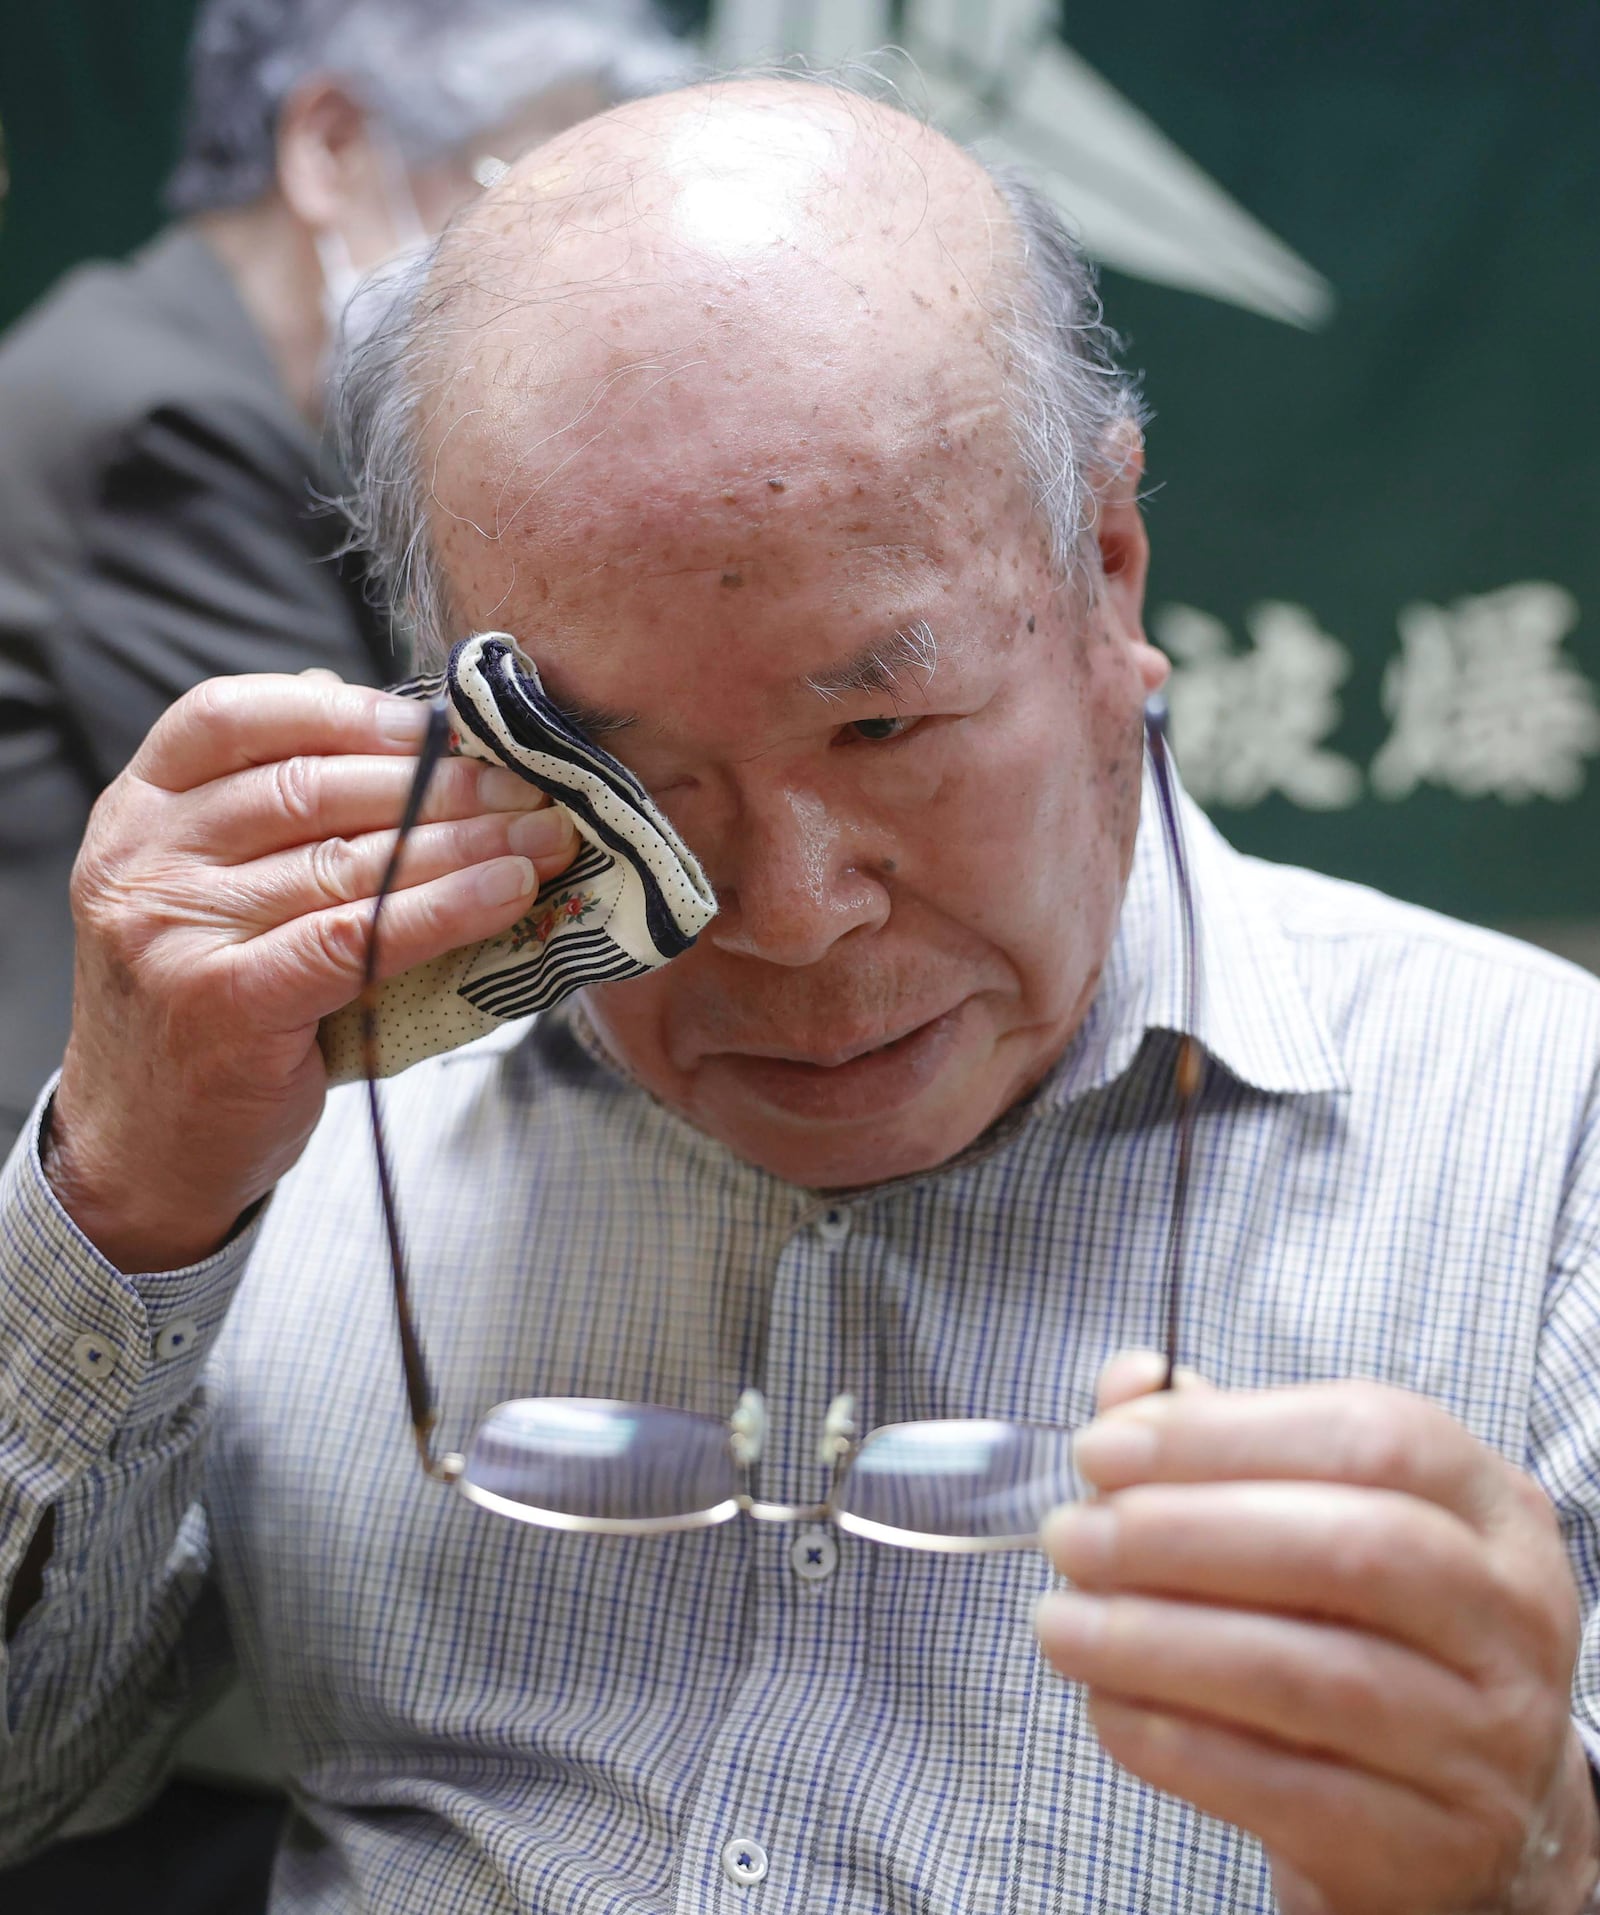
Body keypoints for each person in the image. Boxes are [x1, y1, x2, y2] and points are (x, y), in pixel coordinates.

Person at [3, 73, 1600, 1915]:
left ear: (1105, 575)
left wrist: (1543, 1852)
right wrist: (119, 1198)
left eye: (883, 724)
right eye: (618, 778)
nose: (783, 914)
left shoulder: (1539, 1148)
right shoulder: (322, 1136)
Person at [0, 0, 687, 1154]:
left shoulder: (163, 357)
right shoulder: (164, 424)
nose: (563, 283)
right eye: (513, 195)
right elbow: (406, 866)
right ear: (328, 144)